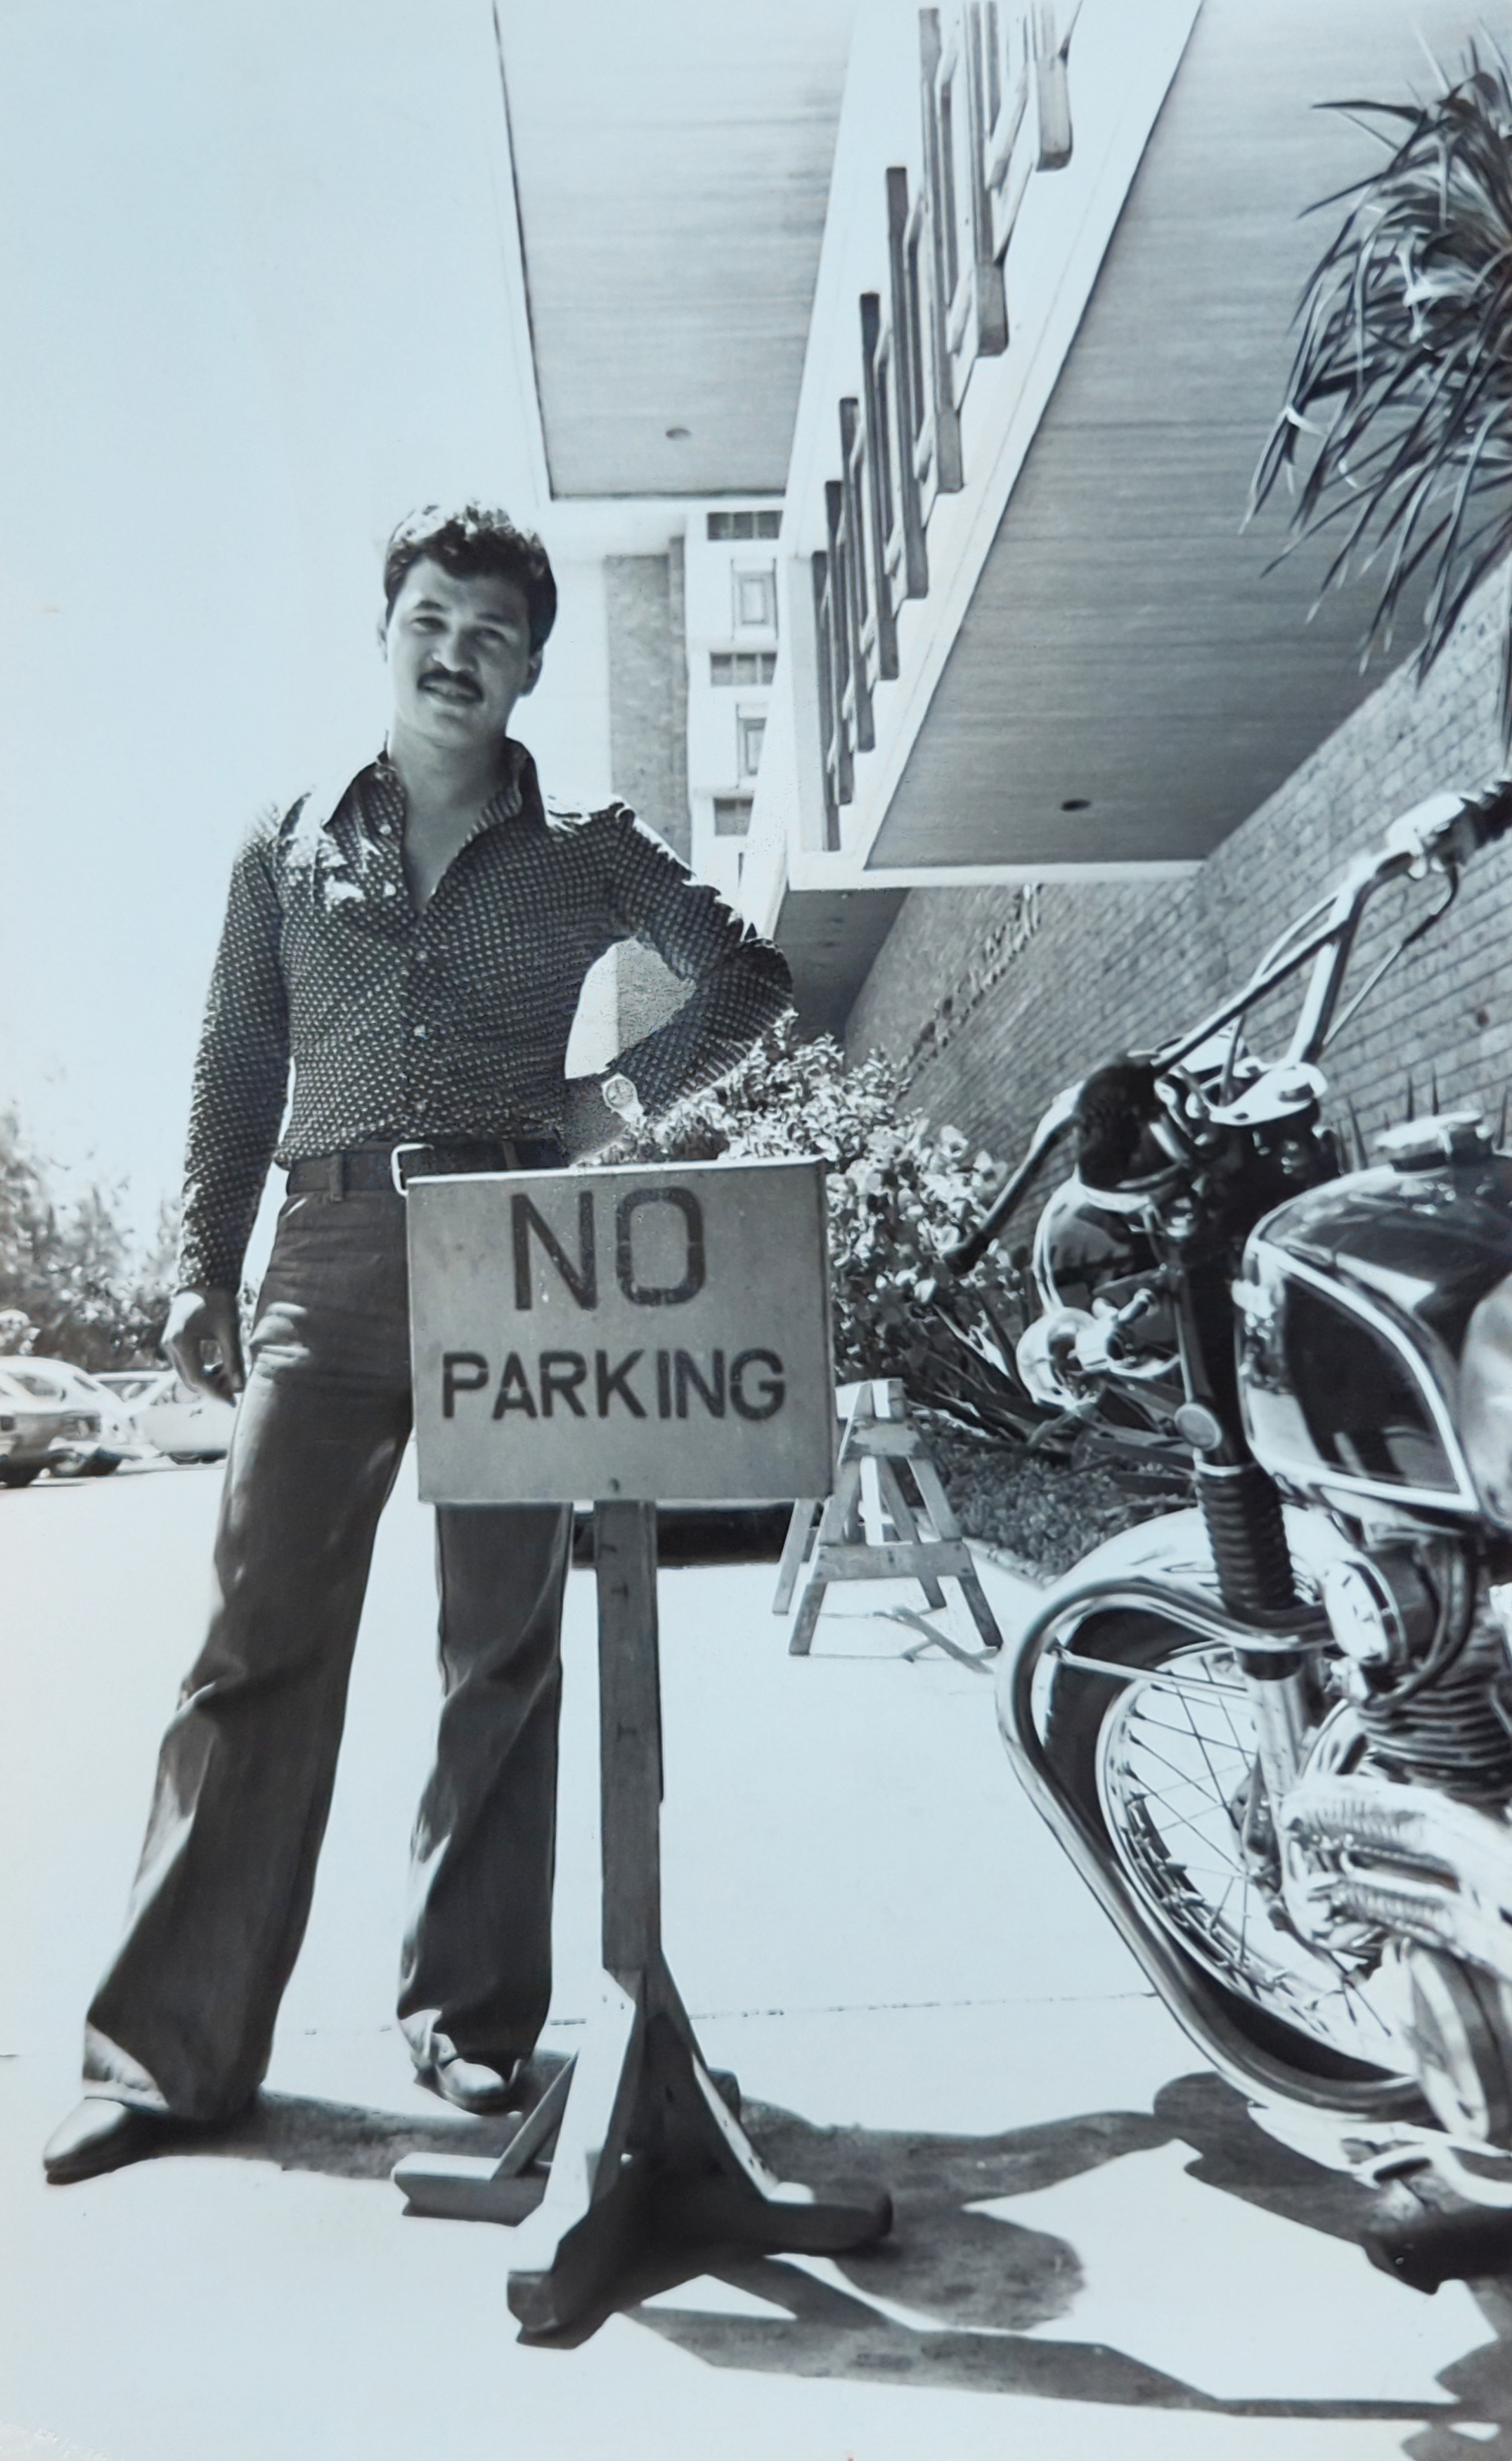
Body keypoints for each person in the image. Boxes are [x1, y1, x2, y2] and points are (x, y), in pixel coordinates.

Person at [44, 504, 791, 2184]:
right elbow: (235, 1067)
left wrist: (618, 1099)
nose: (457, 655)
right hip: (324, 1253)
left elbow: (747, 980)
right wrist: (198, 1266)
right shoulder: (285, 841)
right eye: (431, 621)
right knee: (255, 1645)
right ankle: (165, 2052)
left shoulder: (590, 849)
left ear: (531, 664)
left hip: (518, 1259)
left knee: (501, 1655)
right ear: (387, 633)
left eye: (494, 634)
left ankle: (470, 2026)